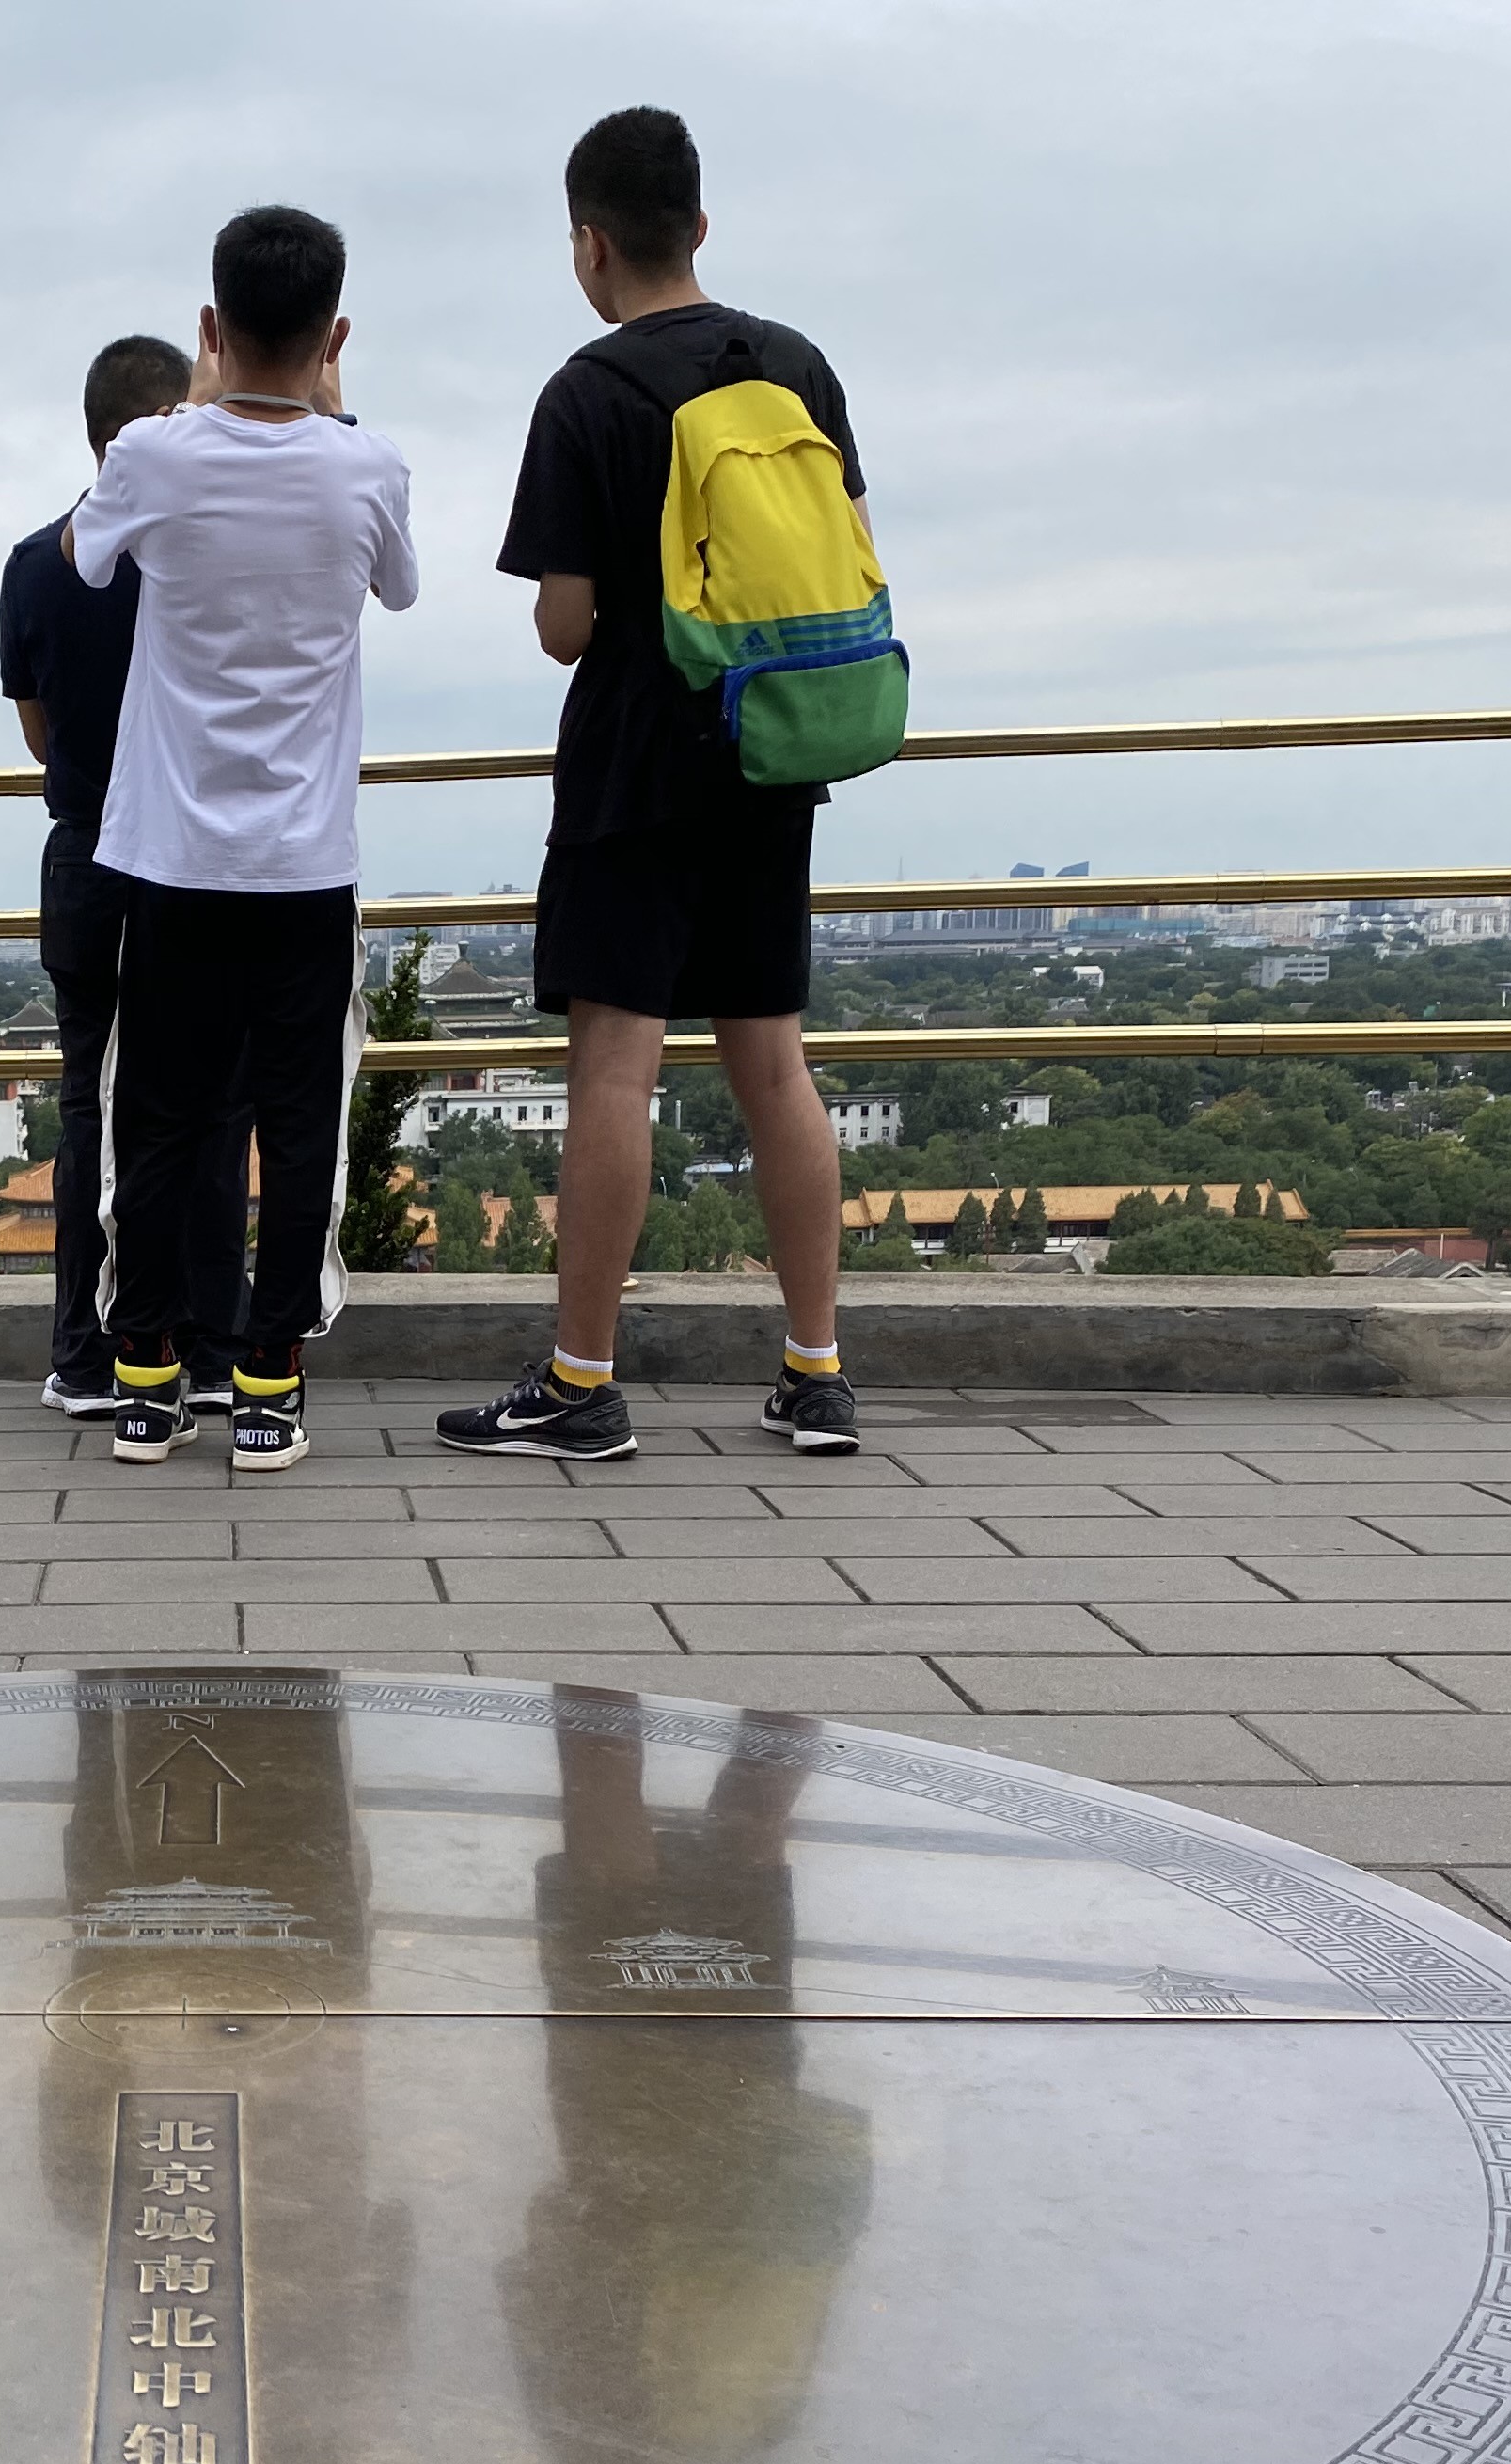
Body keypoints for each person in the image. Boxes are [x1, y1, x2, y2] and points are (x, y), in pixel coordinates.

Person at [437, 106, 863, 1462]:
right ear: (700, 225)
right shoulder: (792, 366)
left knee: (615, 1073)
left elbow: (565, 625)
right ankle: (815, 1371)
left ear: (588, 245)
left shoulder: (588, 391)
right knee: (776, 1069)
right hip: (771, 746)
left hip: (636, 765)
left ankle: (581, 1384)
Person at [71, 206, 418, 1474]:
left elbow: (87, 556)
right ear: (333, 336)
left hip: (171, 861)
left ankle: (149, 1379)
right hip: (305, 865)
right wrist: (325, 413)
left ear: (208, 328)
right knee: (297, 1121)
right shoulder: (367, 462)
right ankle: (269, 1381)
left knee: (158, 1126)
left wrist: (194, 407)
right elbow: (399, 586)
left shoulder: (156, 458)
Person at [0, 336, 253, 1420]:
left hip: (85, 862)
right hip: (197, 865)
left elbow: (40, 739)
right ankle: (203, 1344)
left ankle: (84, 1353)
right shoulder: (202, 560)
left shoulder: (34, 561)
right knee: (208, 1114)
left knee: (87, 1113)